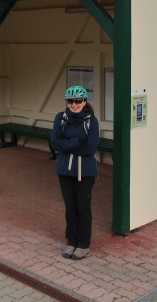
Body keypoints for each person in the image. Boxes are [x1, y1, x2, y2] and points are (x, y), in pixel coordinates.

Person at [50, 86, 99, 260]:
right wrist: (77, 141)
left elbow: (90, 148)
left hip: (85, 172)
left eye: (78, 101)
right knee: (70, 209)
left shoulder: (91, 121)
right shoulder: (60, 118)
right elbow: (55, 143)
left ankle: (84, 244)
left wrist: (67, 145)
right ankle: (71, 241)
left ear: (85, 101)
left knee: (83, 208)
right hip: (64, 171)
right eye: (71, 101)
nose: (74, 105)